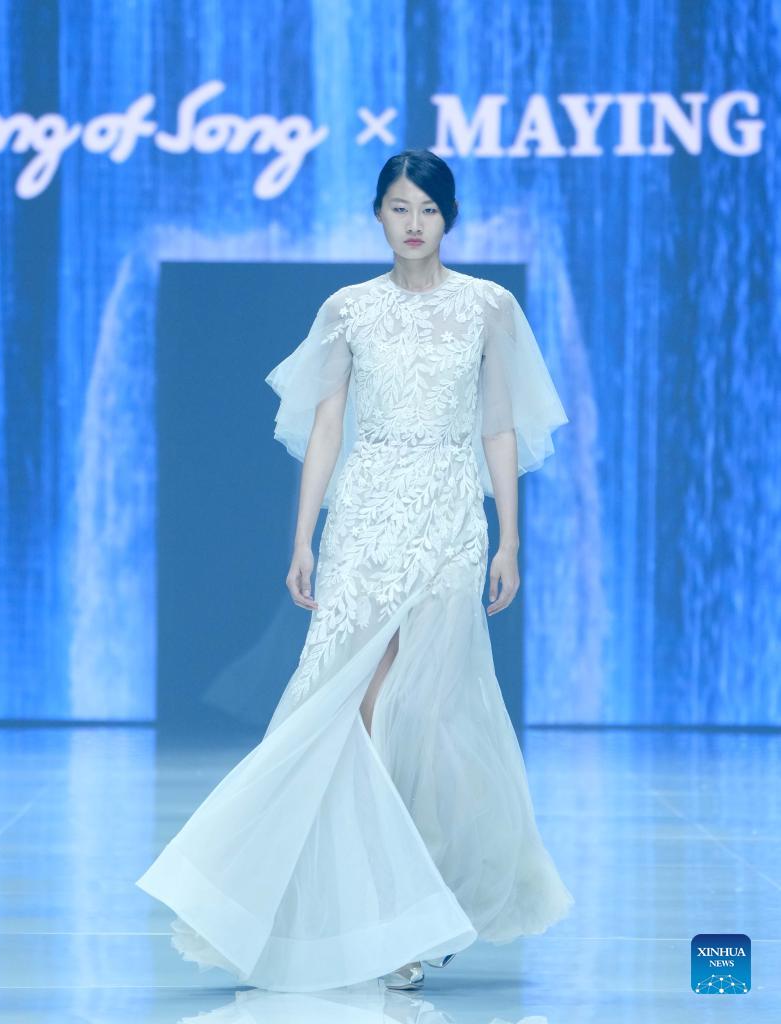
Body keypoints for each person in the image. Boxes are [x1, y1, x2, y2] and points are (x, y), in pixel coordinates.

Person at [135, 149, 575, 993]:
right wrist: (303, 537)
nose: (413, 223)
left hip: (448, 517)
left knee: (430, 709)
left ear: (449, 218)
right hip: (365, 518)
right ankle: (373, 916)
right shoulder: (347, 310)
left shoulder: (488, 307)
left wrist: (509, 541)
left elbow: (498, 429)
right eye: (399, 207)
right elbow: (326, 430)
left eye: (428, 210)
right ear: (377, 213)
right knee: (355, 710)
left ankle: (425, 899)